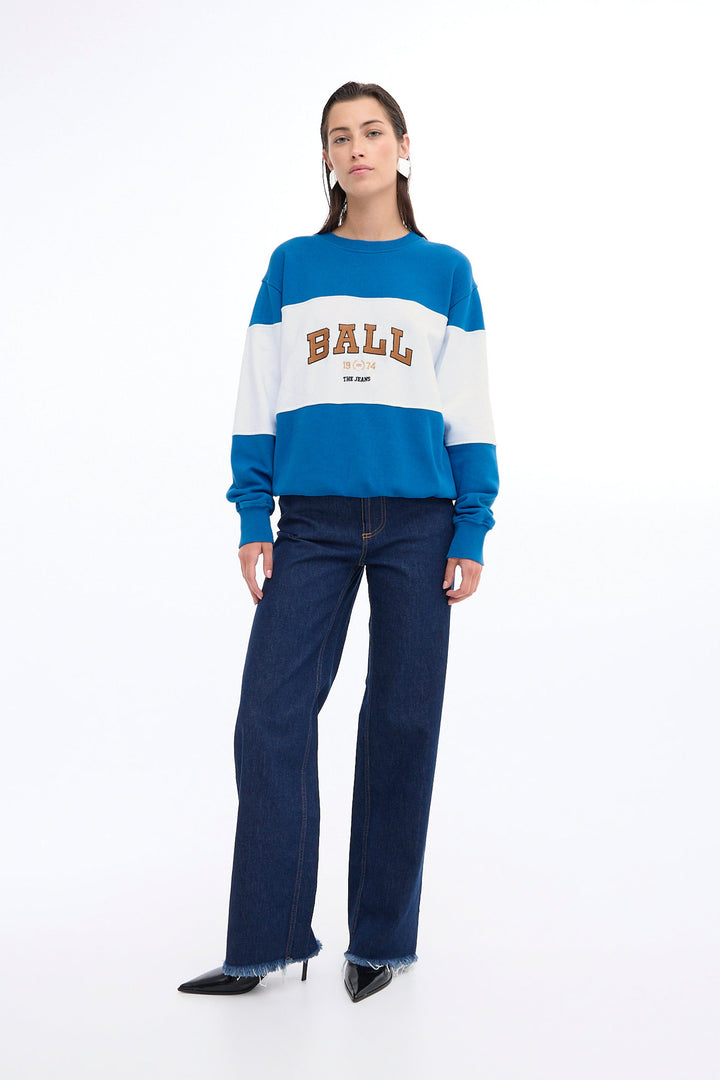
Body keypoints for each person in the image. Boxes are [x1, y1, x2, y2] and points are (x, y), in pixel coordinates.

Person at [177, 80, 499, 1004]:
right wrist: (252, 513)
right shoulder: (292, 265)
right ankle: (266, 941)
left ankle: (382, 942)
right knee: (271, 718)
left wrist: (472, 523)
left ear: (403, 146)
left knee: (402, 723)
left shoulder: (446, 272)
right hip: (311, 522)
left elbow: (469, 407)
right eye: (339, 136)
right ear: (325, 158)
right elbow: (258, 392)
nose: (356, 148)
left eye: (372, 132)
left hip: (419, 522)